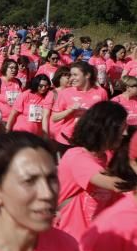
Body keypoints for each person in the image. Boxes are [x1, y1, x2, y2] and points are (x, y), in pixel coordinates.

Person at [54, 101, 128, 241]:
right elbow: (113, 184)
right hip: (72, 241)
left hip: (99, 239)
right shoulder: (76, 156)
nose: (125, 132)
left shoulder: (108, 156)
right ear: (103, 128)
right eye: (121, 127)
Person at [48, 61, 109, 150]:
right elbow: (54, 118)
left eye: (75, 75)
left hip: (90, 140)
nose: (71, 78)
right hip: (68, 140)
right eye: (71, 75)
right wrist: (70, 110)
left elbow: (106, 116)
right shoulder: (65, 93)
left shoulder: (101, 92)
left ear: (87, 75)